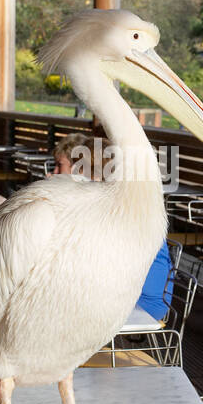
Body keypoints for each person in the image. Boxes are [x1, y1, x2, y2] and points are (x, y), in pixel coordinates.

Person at [51, 132, 171, 320]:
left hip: (140, 303)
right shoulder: (119, 201)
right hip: (130, 295)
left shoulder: (118, 209)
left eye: (79, 169)